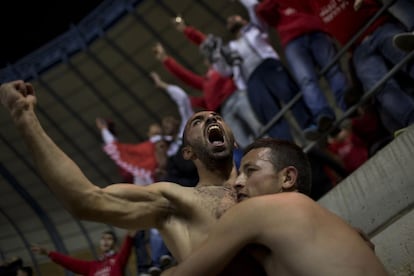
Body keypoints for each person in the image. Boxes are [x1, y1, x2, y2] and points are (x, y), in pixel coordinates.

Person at [0, 80, 264, 275]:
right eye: (198, 121)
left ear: (234, 138)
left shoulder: (267, 181)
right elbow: (86, 199)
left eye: (216, 117)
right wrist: (24, 117)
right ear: (187, 152)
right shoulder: (174, 201)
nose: (210, 119)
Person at [164, 138, 388, 276]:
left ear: (287, 178)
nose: (237, 182)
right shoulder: (329, 225)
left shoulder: (258, 211)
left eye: (250, 171)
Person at [256, 0, 350, 140]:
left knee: (333, 69)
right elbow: (264, 13)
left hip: (315, 29)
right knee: (306, 80)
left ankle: (347, 101)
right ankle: (323, 116)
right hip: (291, 39)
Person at [219, 0, 312, 141]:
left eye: (234, 17)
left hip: (268, 66)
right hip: (252, 80)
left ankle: (309, 126)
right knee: (269, 115)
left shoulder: (256, 28)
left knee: (290, 93)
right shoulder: (229, 48)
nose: (230, 19)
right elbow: (225, 71)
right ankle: (286, 146)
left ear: (244, 20)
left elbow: (253, 5)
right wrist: (216, 57)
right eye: (228, 21)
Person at [32, 230, 134, 276]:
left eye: (109, 239)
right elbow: (70, 263)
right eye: (103, 238)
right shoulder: (92, 266)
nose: (105, 241)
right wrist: (48, 252)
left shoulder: (117, 259)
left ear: (114, 244)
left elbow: (127, 245)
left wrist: (130, 235)